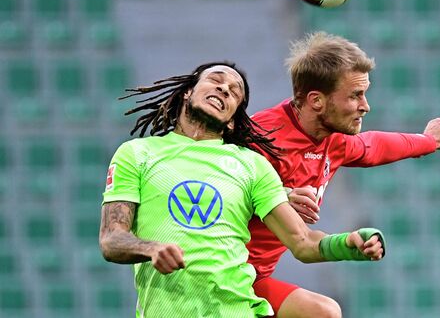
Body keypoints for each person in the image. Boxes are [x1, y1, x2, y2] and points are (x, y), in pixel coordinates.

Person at [98, 61, 386, 318]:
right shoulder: (137, 154)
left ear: (233, 118)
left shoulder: (251, 166)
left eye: (235, 92)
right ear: (188, 91)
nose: (224, 88)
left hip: (237, 308)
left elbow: (304, 242)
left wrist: (349, 244)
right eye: (215, 80)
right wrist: (151, 248)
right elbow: (112, 240)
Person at [247, 32, 440, 318]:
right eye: (355, 95)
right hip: (216, 277)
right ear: (316, 100)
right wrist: (276, 196)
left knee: (324, 313)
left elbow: (372, 146)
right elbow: (210, 186)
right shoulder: (259, 138)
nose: (366, 106)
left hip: (254, 280)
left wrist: (430, 141)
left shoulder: (332, 139)